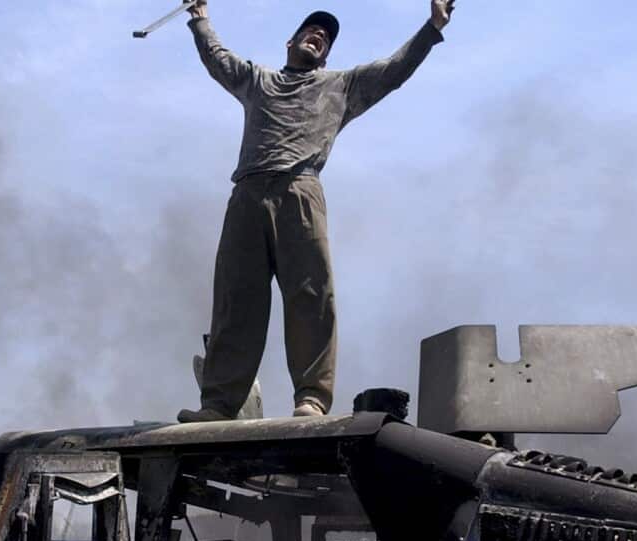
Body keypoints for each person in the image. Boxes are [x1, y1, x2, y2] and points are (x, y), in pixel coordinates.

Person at [178, 0, 456, 423]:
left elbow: (394, 70)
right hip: (249, 195)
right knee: (237, 300)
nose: (318, 36)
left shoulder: (341, 87)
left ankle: (311, 397)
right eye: (311, 31)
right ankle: (218, 404)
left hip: (301, 192)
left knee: (311, 296)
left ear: (326, 56)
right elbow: (219, 61)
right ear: (290, 41)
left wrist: (432, 27)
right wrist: (199, 20)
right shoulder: (259, 81)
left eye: (325, 39)